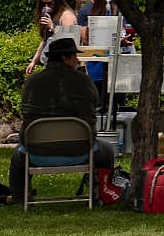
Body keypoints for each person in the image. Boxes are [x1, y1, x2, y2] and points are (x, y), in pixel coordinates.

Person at [8, 36, 114, 204]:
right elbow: (95, 103)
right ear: (65, 58)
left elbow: (26, 114)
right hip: (81, 150)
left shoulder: (32, 82)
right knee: (107, 151)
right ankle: (101, 193)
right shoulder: (84, 81)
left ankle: (20, 198)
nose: (78, 61)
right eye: (75, 57)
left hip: (37, 152)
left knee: (17, 157)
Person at [75, 0, 118, 109]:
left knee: (117, 105)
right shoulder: (86, 11)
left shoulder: (118, 10)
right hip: (97, 63)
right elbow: (85, 39)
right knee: (98, 103)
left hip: (116, 66)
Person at [26, 0, 78, 76]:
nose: (46, 7)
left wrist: (52, 27)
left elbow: (69, 40)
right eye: (43, 4)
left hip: (64, 68)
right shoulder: (52, 15)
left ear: (57, 1)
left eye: (49, 3)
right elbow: (45, 40)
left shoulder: (66, 15)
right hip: (52, 66)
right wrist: (34, 61)